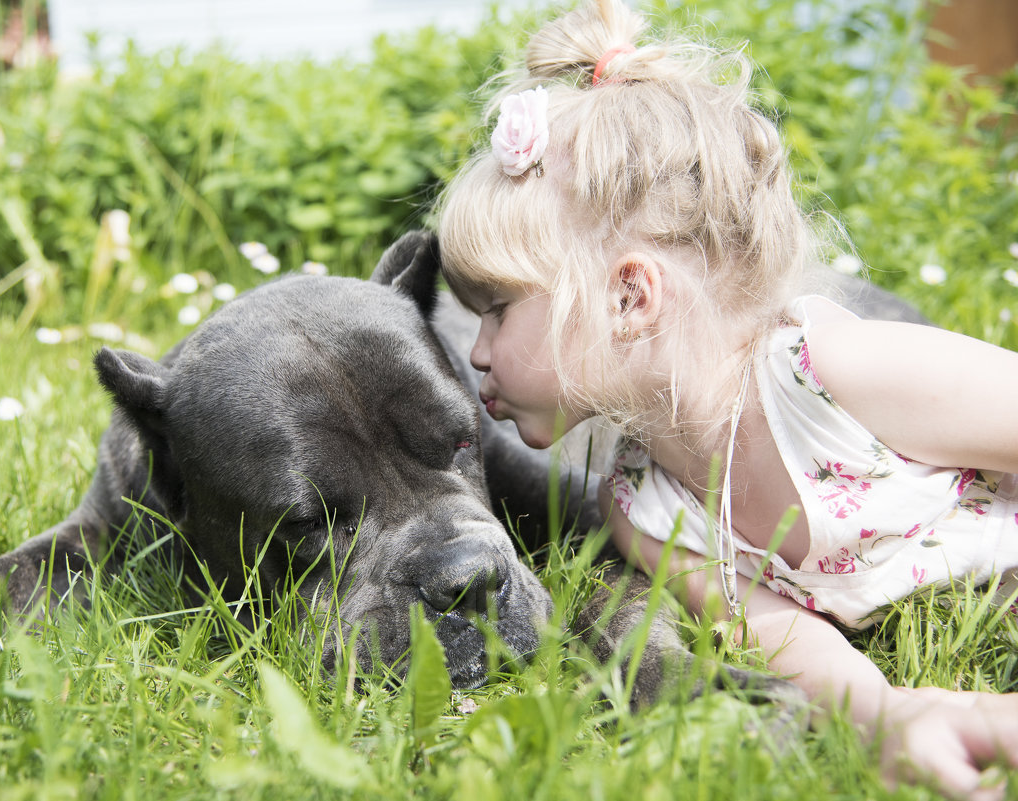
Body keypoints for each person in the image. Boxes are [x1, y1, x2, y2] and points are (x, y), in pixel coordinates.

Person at [434, 1, 1018, 798]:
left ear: (629, 296)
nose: (477, 352)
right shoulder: (644, 508)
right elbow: (777, 628)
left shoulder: (833, 371)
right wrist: (885, 714)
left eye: (497, 309)